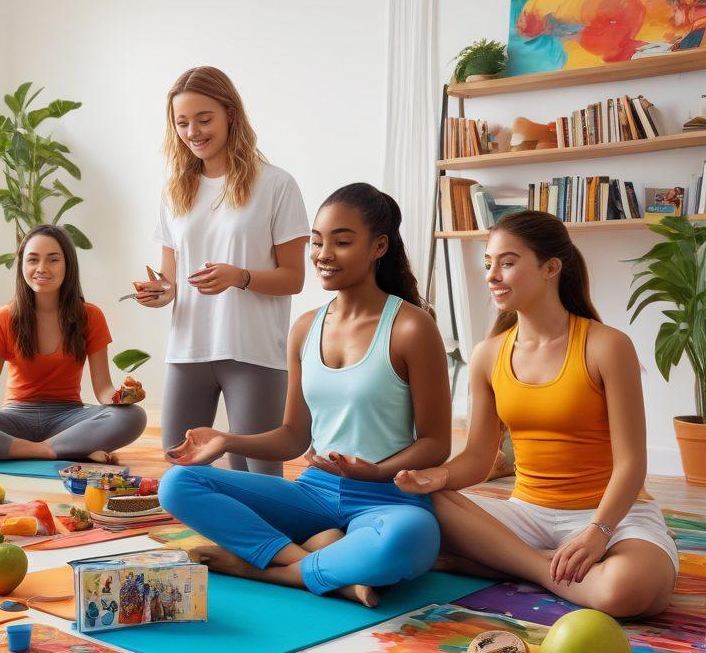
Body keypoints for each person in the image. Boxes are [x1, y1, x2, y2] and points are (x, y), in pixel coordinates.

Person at [160, 183, 450, 606]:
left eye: (342, 241)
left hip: (385, 498)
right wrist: (228, 440)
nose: (323, 254)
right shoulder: (305, 328)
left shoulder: (411, 327)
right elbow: (295, 436)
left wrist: (375, 472)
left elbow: (436, 443)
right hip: (314, 493)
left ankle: (262, 568)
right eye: (316, 242)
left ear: (379, 246)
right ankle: (319, 565)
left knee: (411, 538)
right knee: (177, 483)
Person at [395, 210, 677, 618]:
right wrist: (434, 477)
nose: (492, 275)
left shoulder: (607, 346)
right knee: (415, 507)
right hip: (527, 515)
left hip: (613, 513)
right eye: (488, 263)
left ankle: (501, 562)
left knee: (626, 590)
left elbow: (632, 464)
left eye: (507, 263)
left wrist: (598, 533)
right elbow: (477, 458)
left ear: (551, 268)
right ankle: (544, 567)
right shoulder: (488, 355)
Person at [136, 66, 309, 475]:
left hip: (252, 349)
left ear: (231, 113)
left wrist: (241, 277)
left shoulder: (276, 185)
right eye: (182, 123)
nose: (193, 131)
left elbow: (294, 278)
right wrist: (160, 292)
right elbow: (171, 279)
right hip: (189, 347)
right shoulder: (174, 190)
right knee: (182, 469)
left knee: (258, 473)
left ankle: (268, 541)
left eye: (204, 118)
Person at [0, 224, 146, 462]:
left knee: (132, 417)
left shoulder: (90, 316)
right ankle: (58, 450)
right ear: (22, 265)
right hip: (15, 420)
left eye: (53, 260)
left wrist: (121, 397)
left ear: (68, 265)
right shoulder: (4, 318)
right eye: (33, 260)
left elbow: (103, 390)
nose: (41, 268)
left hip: (68, 419)